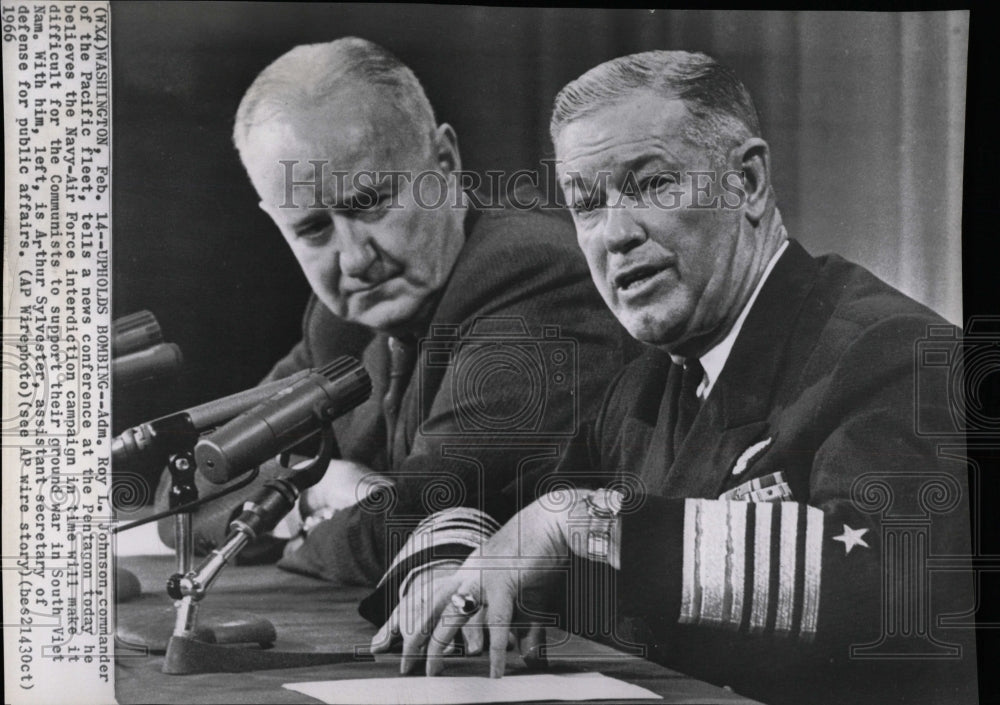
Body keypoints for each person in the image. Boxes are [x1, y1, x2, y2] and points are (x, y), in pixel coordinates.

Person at [377, 51, 978, 705]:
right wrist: (450, 572)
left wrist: (584, 520)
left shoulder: (899, 353)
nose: (615, 234)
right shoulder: (642, 387)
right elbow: (514, 526)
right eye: (586, 204)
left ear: (746, 182)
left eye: (652, 184)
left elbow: (884, 579)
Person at [155, 38, 638, 591]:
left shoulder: (534, 276)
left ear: (445, 163)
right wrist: (312, 491)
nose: (356, 258)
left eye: (369, 204)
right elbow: (185, 495)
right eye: (313, 229)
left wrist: (299, 522)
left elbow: (404, 530)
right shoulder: (342, 323)